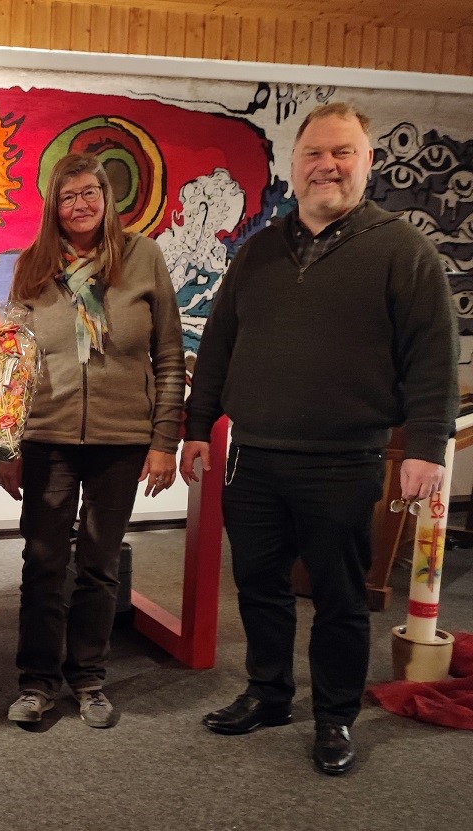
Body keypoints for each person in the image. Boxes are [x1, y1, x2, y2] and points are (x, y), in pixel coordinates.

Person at [179, 102, 458, 776]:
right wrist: (196, 427)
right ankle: (269, 692)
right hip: (252, 454)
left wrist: (425, 445)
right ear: (295, 164)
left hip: (344, 459)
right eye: (314, 154)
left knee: (338, 595)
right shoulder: (260, 251)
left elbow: (432, 356)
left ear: (368, 162)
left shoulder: (402, 249)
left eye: (342, 153)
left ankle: (334, 714)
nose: (326, 165)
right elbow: (218, 345)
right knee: (259, 586)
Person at [0, 153, 185, 729]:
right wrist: (10, 448)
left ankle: (89, 677)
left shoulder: (144, 258)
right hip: (47, 436)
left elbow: (170, 356)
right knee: (44, 562)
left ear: (108, 199)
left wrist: (164, 441)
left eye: (89, 193)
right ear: (52, 205)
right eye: (67, 195)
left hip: (122, 439)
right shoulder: (33, 265)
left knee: (100, 565)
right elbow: (13, 362)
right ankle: (36, 682)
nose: (79, 205)